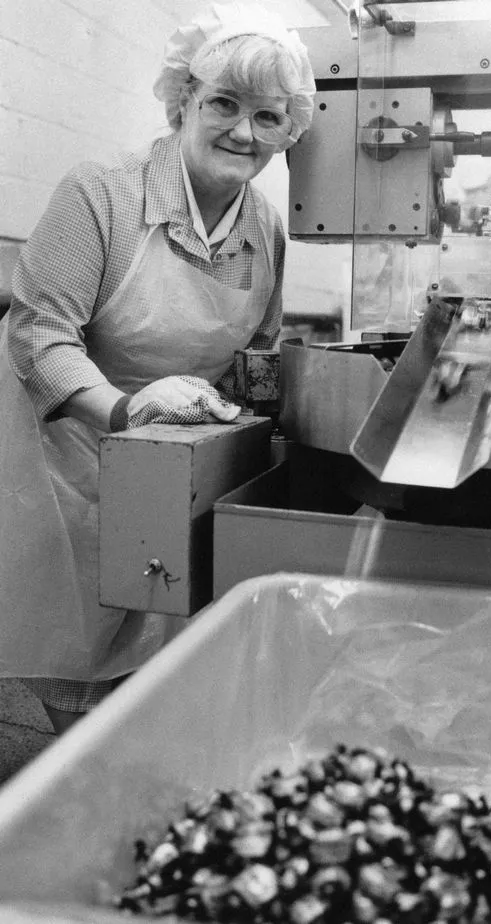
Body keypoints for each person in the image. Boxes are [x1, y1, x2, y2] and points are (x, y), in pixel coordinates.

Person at [0, 1, 315, 735]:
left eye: (268, 117)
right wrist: (124, 409)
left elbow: (257, 350)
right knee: (68, 656)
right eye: (224, 104)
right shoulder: (103, 192)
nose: (243, 131)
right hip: (64, 458)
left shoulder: (264, 226)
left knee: (157, 655)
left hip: (177, 461)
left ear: (288, 132)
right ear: (183, 101)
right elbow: (40, 336)